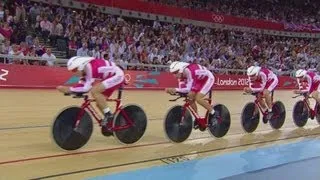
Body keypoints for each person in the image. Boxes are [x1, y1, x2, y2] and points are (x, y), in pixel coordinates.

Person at [56, 56, 125, 134]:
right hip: (110, 77)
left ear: (80, 66)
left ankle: (109, 116)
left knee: (94, 91)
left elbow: (86, 88)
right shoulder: (85, 70)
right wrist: (71, 90)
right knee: (99, 103)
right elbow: (81, 85)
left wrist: (69, 89)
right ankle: (111, 123)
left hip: (117, 75)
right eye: (71, 71)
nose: (73, 73)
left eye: (74, 70)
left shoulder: (91, 68)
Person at [165, 61, 218, 125]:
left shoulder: (190, 71)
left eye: (175, 73)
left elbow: (188, 89)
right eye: (173, 73)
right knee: (190, 97)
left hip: (207, 79)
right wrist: (175, 90)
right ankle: (197, 117)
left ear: (181, 70)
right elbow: (182, 89)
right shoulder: (181, 76)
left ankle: (214, 113)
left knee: (198, 98)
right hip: (197, 80)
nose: (174, 76)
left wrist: (175, 89)